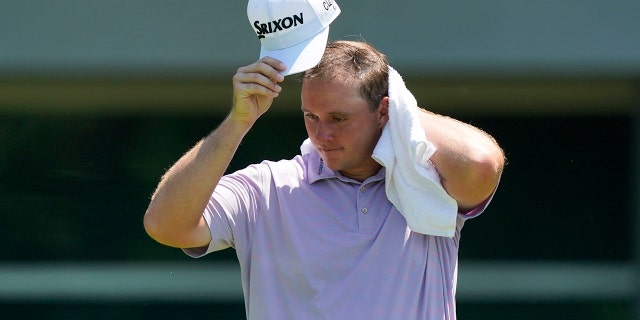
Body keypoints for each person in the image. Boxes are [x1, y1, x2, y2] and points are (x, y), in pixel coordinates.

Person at [143, 40, 505, 319]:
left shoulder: (425, 182)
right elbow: (166, 225)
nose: (322, 134)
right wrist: (238, 121)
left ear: (384, 111)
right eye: (310, 116)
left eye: (338, 118)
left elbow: (481, 163)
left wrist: (398, 101)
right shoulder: (267, 187)